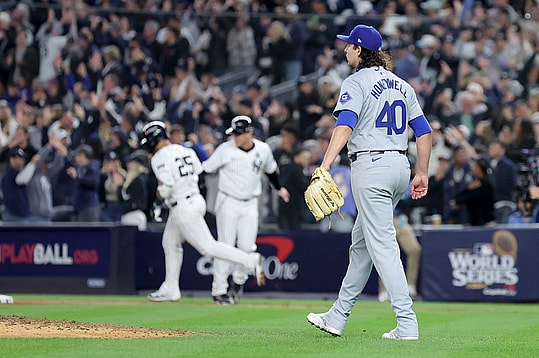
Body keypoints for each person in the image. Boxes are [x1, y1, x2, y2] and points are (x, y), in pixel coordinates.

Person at [306, 24, 432, 340]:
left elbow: (345, 125)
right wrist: (423, 172)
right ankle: (337, 316)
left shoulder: (355, 81)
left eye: (349, 45)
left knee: (383, 245)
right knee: (362, 246)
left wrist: (325, 164)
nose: (345, 49)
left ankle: (407, 322)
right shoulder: (403, 86)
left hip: (372, 165)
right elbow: (424, 132)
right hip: (399, 166)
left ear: (360, 50)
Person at [139, 121, 265, 303]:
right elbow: (198, 172)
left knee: (208, 247)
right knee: (170, 242)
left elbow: (166, 186)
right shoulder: (185, 150)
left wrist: (159, 199)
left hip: (182, 205)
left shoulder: (159, 157)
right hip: (195, 199)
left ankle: (249, 260)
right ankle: (170, 288)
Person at [202, 115, 290, 304]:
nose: (235, 137)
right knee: (224, 245)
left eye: (238, 133)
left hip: (250, 203)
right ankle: (219, 289)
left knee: (247, 246)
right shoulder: (225, 149)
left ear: (249, 132)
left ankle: (238, 284)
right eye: (233, 134)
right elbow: (206, 169)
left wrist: (280, 188)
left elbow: (271, 170)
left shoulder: (263, 149)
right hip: (228, 200)